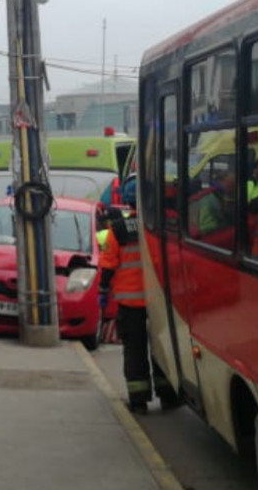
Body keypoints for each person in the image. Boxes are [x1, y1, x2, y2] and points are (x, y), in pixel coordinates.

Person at [98, 175, 180, 414]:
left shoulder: (119, 230)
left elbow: (109, 265)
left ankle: (138, 400)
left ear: (127, 201)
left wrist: (103, 292)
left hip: (130, 302)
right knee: (161, 347)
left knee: (134, 350)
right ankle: (168, 396)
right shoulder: (161, 225)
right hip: (158, 301)